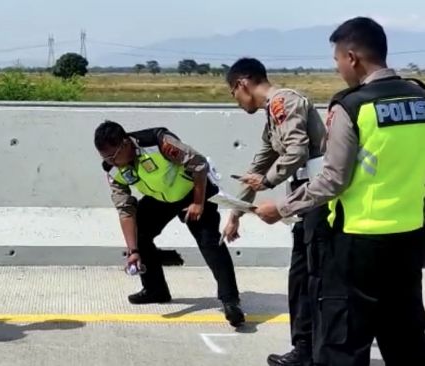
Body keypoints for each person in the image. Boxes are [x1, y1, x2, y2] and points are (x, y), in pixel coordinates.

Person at [254, 17, 425, 365]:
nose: (337, 68)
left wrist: (283, 208)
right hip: (409, 240)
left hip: (357, 245)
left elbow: (333, 179)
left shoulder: (351, 106)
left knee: (341, 345)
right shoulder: (420, 98)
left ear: (353, 57)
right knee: (406, 341)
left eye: (336, 60)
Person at [223, 57, 327, 366]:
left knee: (313, 279)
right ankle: (306, 348)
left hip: (320, 203)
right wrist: (236, 213)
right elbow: (259, 164)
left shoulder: (284, 102)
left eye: (233, 93)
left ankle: (312, 350)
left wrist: (267, 181)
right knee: (301, 278)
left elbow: (296, 149)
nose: (237, 101)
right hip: (305, 204)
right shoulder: (272, 116)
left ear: (243, 83)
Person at [94, 120, 245, 327]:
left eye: (113, 156)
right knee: (140, 233)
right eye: (105, 158)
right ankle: (155, 290)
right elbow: (125, 209)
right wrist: (133, 251)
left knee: (209, 241)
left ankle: (230, 301)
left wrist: (198, 203)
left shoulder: (159, 142)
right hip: (161, 198)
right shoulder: (112, 169)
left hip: (193, 191)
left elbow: (199, 164)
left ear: (126, 143)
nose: (112, 162)